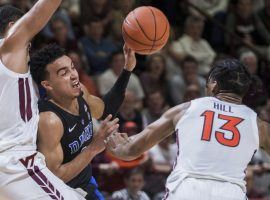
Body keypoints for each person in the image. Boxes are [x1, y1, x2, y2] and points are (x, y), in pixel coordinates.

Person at [105, 59, 270, 199]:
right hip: (231, 193)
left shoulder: (187, 109)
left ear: (214, 84)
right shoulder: (258, 125)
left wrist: (117, 146)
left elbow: (132, 150)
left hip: (188, 190)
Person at [0, 1, 88, 200]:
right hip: (16, 162)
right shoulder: (9, 49)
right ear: (13, 27)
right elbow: (39, 12)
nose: (28, 47)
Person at [29, 43, 137, 200]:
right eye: (64, 73)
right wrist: (94, 147)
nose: (74, 75)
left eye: (72, 67)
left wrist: (127, 69)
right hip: (58, 194)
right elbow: (53, 178)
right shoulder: (50, 121)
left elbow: (104, 110)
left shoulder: (80, 92)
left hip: (85, 185)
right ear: (47, 85)